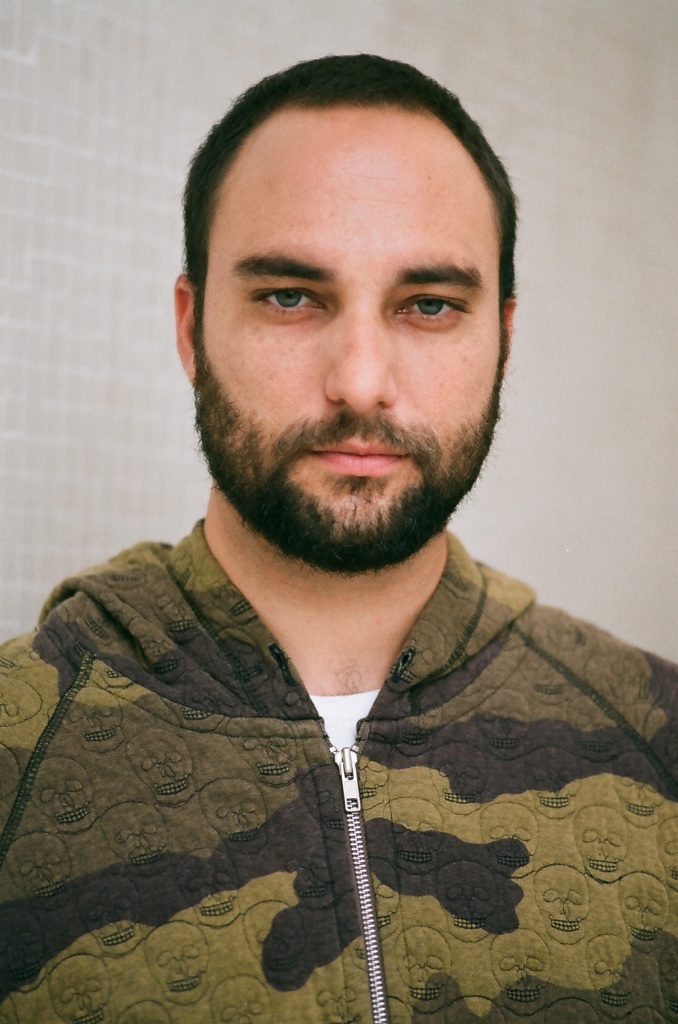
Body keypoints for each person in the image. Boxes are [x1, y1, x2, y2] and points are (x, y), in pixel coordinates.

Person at [0, 53, 676, 1024]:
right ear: (191, 329)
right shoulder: (17, 746)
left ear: (503, 341)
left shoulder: (659, 738)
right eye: (289, 296)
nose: (360, 380)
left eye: (429, 305)